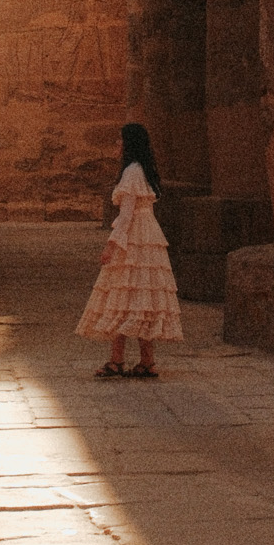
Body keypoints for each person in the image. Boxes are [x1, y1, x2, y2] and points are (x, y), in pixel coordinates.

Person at [77, 122, 183, 378]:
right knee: (140, 297)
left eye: (120, 140)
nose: (117, 145)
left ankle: (116, 360)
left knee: (123, 295)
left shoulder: (131, 173)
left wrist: (111, 245)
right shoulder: (143, 171)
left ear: (129, 143)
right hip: (148, 236)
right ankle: (146, 360)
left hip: (135, 237)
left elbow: (126, 216)